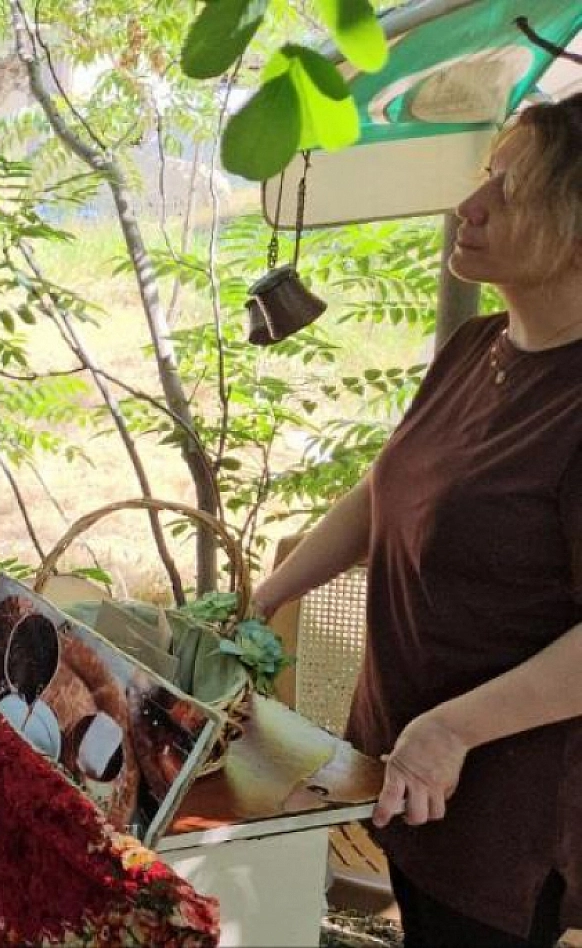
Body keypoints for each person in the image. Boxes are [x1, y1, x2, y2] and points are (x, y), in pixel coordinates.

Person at [253, 93, 582, 948]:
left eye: (511, 193)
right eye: (486, 178)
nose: (469, 206)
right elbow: (391, 485)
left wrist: (452, 728)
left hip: (507, 814)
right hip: (408, 774)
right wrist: (274, 588)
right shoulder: (478, 349)